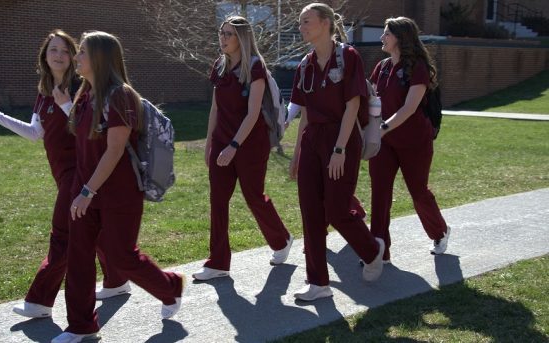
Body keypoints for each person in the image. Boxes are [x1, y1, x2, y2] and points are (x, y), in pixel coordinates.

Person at [0, 29, 129, 319]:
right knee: (92, 230)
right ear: (44, 56)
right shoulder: (44, 91)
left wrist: (66, 104)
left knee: (63, 235)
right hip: (62, 174)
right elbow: (35, 133)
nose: (59, 55)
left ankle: (40, 301)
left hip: (80, 172)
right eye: (53, 50)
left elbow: (91, 129)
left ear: (74, 56)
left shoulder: (81, 87)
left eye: (65, 50)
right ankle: (118, 280)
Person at [51, 31, 185, 343]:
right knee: (79, 256)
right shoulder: (85, 94)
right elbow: (85, 138)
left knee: (121, 255)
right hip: (85, 189)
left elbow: (114, 150)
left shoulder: (121, 96)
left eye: (81, 52)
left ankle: (170, 287)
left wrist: (87, 192)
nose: (75, 57)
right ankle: (81, 326)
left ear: (98, 57)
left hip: (118, 193)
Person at [289, 3, 384, 301]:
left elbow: (352, 105)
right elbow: (305, 113)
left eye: (307, 21)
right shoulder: (304, 64)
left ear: (326, 23)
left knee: (337, 210)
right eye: (300, 23)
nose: (302, 27)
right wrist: (296, 154)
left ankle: (372, 251)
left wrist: (340, 149)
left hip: (341, 137)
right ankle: (318, 283)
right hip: (311, 140)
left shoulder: (348, 56)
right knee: (310, 211)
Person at [192, 16, 293, 281]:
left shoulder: (255, 67)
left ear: (242, 38)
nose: (223, 38)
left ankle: (281, 239)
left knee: (253, 196)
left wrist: (234, 146)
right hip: (222, 142)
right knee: (218, 201)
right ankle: (218, 262)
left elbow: (252, 114)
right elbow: (215, 108)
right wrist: (210, 143)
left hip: (250, 144)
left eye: (229, 34)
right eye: (221, 33)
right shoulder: (220, 65)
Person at [368, 17, 450, 263]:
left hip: (414, 141)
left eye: (386, 34)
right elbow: (370, 100)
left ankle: (440, 231)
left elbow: (409, 108)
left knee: (418, 192)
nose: (382, 38)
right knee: (380, 193)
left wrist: (382, 128)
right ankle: (379, 250)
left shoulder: (418, 68)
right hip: (384, 142)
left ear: (400, 38)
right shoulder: (381, 67)